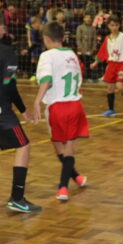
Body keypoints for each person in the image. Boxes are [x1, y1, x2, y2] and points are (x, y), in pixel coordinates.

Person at [0, 8, 41, 213]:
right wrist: (24, 109)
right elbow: (9, 86)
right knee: (23, 146)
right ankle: (17, 198)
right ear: (1, 29)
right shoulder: (6, 51)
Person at [34, 22, 89, 201]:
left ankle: (62, 188)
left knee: (64, 148)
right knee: (65, 148)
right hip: (75, 105)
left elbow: (46, 79)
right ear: (63, 38)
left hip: (58, 106)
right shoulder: (72, 54)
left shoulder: (47, 55)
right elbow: (80, 78)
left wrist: (36, 101)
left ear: (46, 38)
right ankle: (76, 177)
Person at [90, 16, 123, 116]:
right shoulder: (107, 38)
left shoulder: (122, 36)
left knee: (120, 86)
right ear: (108, 26)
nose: (114, 27)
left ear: (119, 26)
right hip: (111, 64)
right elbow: (102, 52)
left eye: (116, 25)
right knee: (110, 88)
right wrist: (95, 62)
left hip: (121, 64)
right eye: (112, 25)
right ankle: (111, 109)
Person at [76, 14, 98, 81]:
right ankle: (83, 77)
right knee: (83, 65)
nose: (88, 19)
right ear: (84, 19)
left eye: (89, 18)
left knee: (90, 64)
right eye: (86, 17)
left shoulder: (93, 28)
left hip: (90, 50)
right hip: (82, 50)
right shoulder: (80, 27)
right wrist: (80, 48)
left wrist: (94, 49)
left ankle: (89, 77)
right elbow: (78, 39)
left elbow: (94, 40)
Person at [27, 16, 43, 81]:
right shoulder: (33, 31)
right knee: (33, 59)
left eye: (34, 23)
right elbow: (33, 40)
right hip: (35, 47)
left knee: (39, 60)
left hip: (39, 47)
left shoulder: (41, 31)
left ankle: (38, 73)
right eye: (32, 24)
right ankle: (33, 73)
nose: (33, 25)